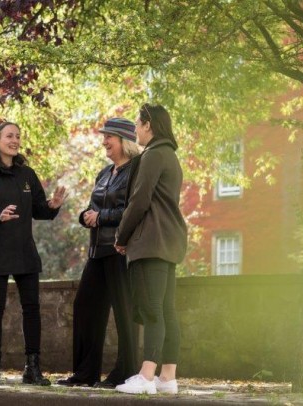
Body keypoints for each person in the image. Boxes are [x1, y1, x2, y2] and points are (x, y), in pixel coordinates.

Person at [0, 121, 66, 386]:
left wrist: (53, 206)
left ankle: (32, 368)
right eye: (9, 136)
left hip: (25, 252)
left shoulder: (27, 175)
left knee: (32, 309)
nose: (15, 140)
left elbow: (40, 211)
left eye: (18, 136)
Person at [57, 118, 140, 389]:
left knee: (124, 313)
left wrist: (100, 217)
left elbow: (132, 210)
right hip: (97, 252)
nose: (104, 142)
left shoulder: (136, 171)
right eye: (104, 137)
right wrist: (85, 216)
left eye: (109, 137)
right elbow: (91, 208)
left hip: (120, 250)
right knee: (85, 307)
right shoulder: (105, 173)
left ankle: (125, 373)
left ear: (124, 140)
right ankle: (84, 374)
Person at [114, 104, 187, 395]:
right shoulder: (171, 156)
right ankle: (167, 378)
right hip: (169, 241)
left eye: (137, 124)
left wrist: (122, 235)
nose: (135, 130)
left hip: (151, 242)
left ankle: (146, 376)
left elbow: (139, 200)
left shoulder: (154, 155)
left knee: (152, 309)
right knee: (167, 310)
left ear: (149, 125)